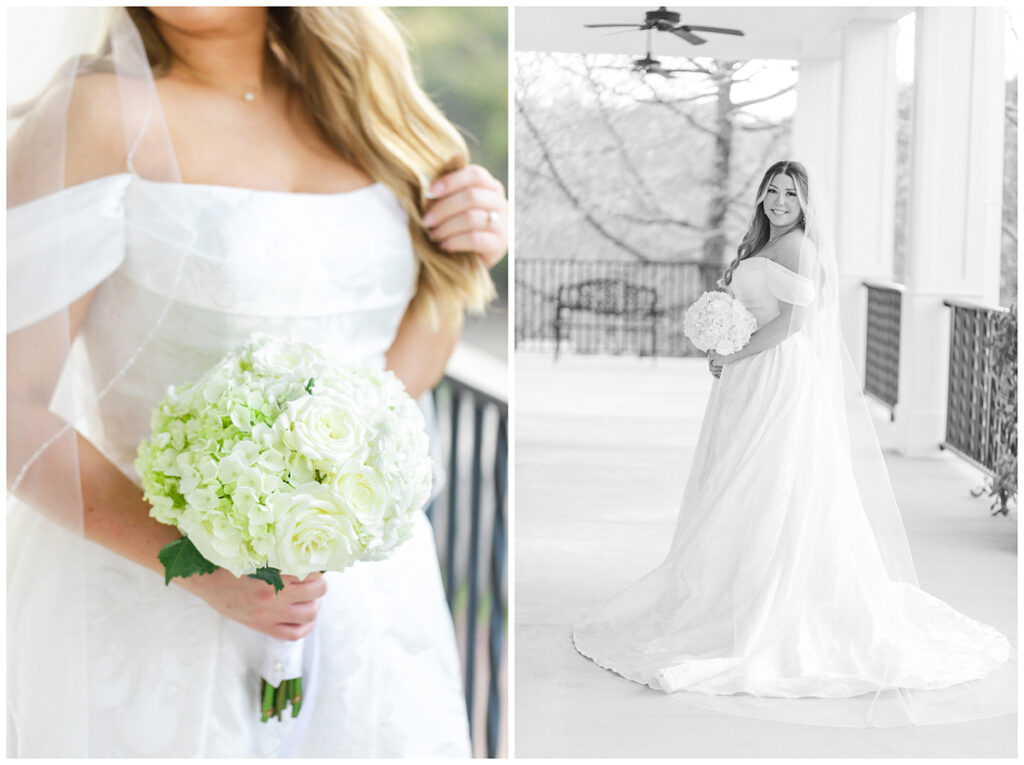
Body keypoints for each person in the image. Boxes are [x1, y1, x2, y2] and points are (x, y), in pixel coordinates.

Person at [7, 7, 506, 757]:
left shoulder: (374, 108)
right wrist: (195, 564)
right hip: (157, 600)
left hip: (364, 599)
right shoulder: (97, 114)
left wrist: (468, 254)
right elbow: (10, 404)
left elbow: (398, 382)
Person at [572, 160, 1012, 727]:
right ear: (761, 195)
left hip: (776, 371)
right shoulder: (764, 240)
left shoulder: (799, 246)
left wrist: (733, 351)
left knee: (768, 478)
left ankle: (764, 600)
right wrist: (721, 340)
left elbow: (794, 324)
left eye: (792, 194)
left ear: (806, 204)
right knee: (734, 477)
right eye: (773, 190)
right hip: (747, 373)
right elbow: (752, 309)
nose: (780, 201)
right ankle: (723, 588)